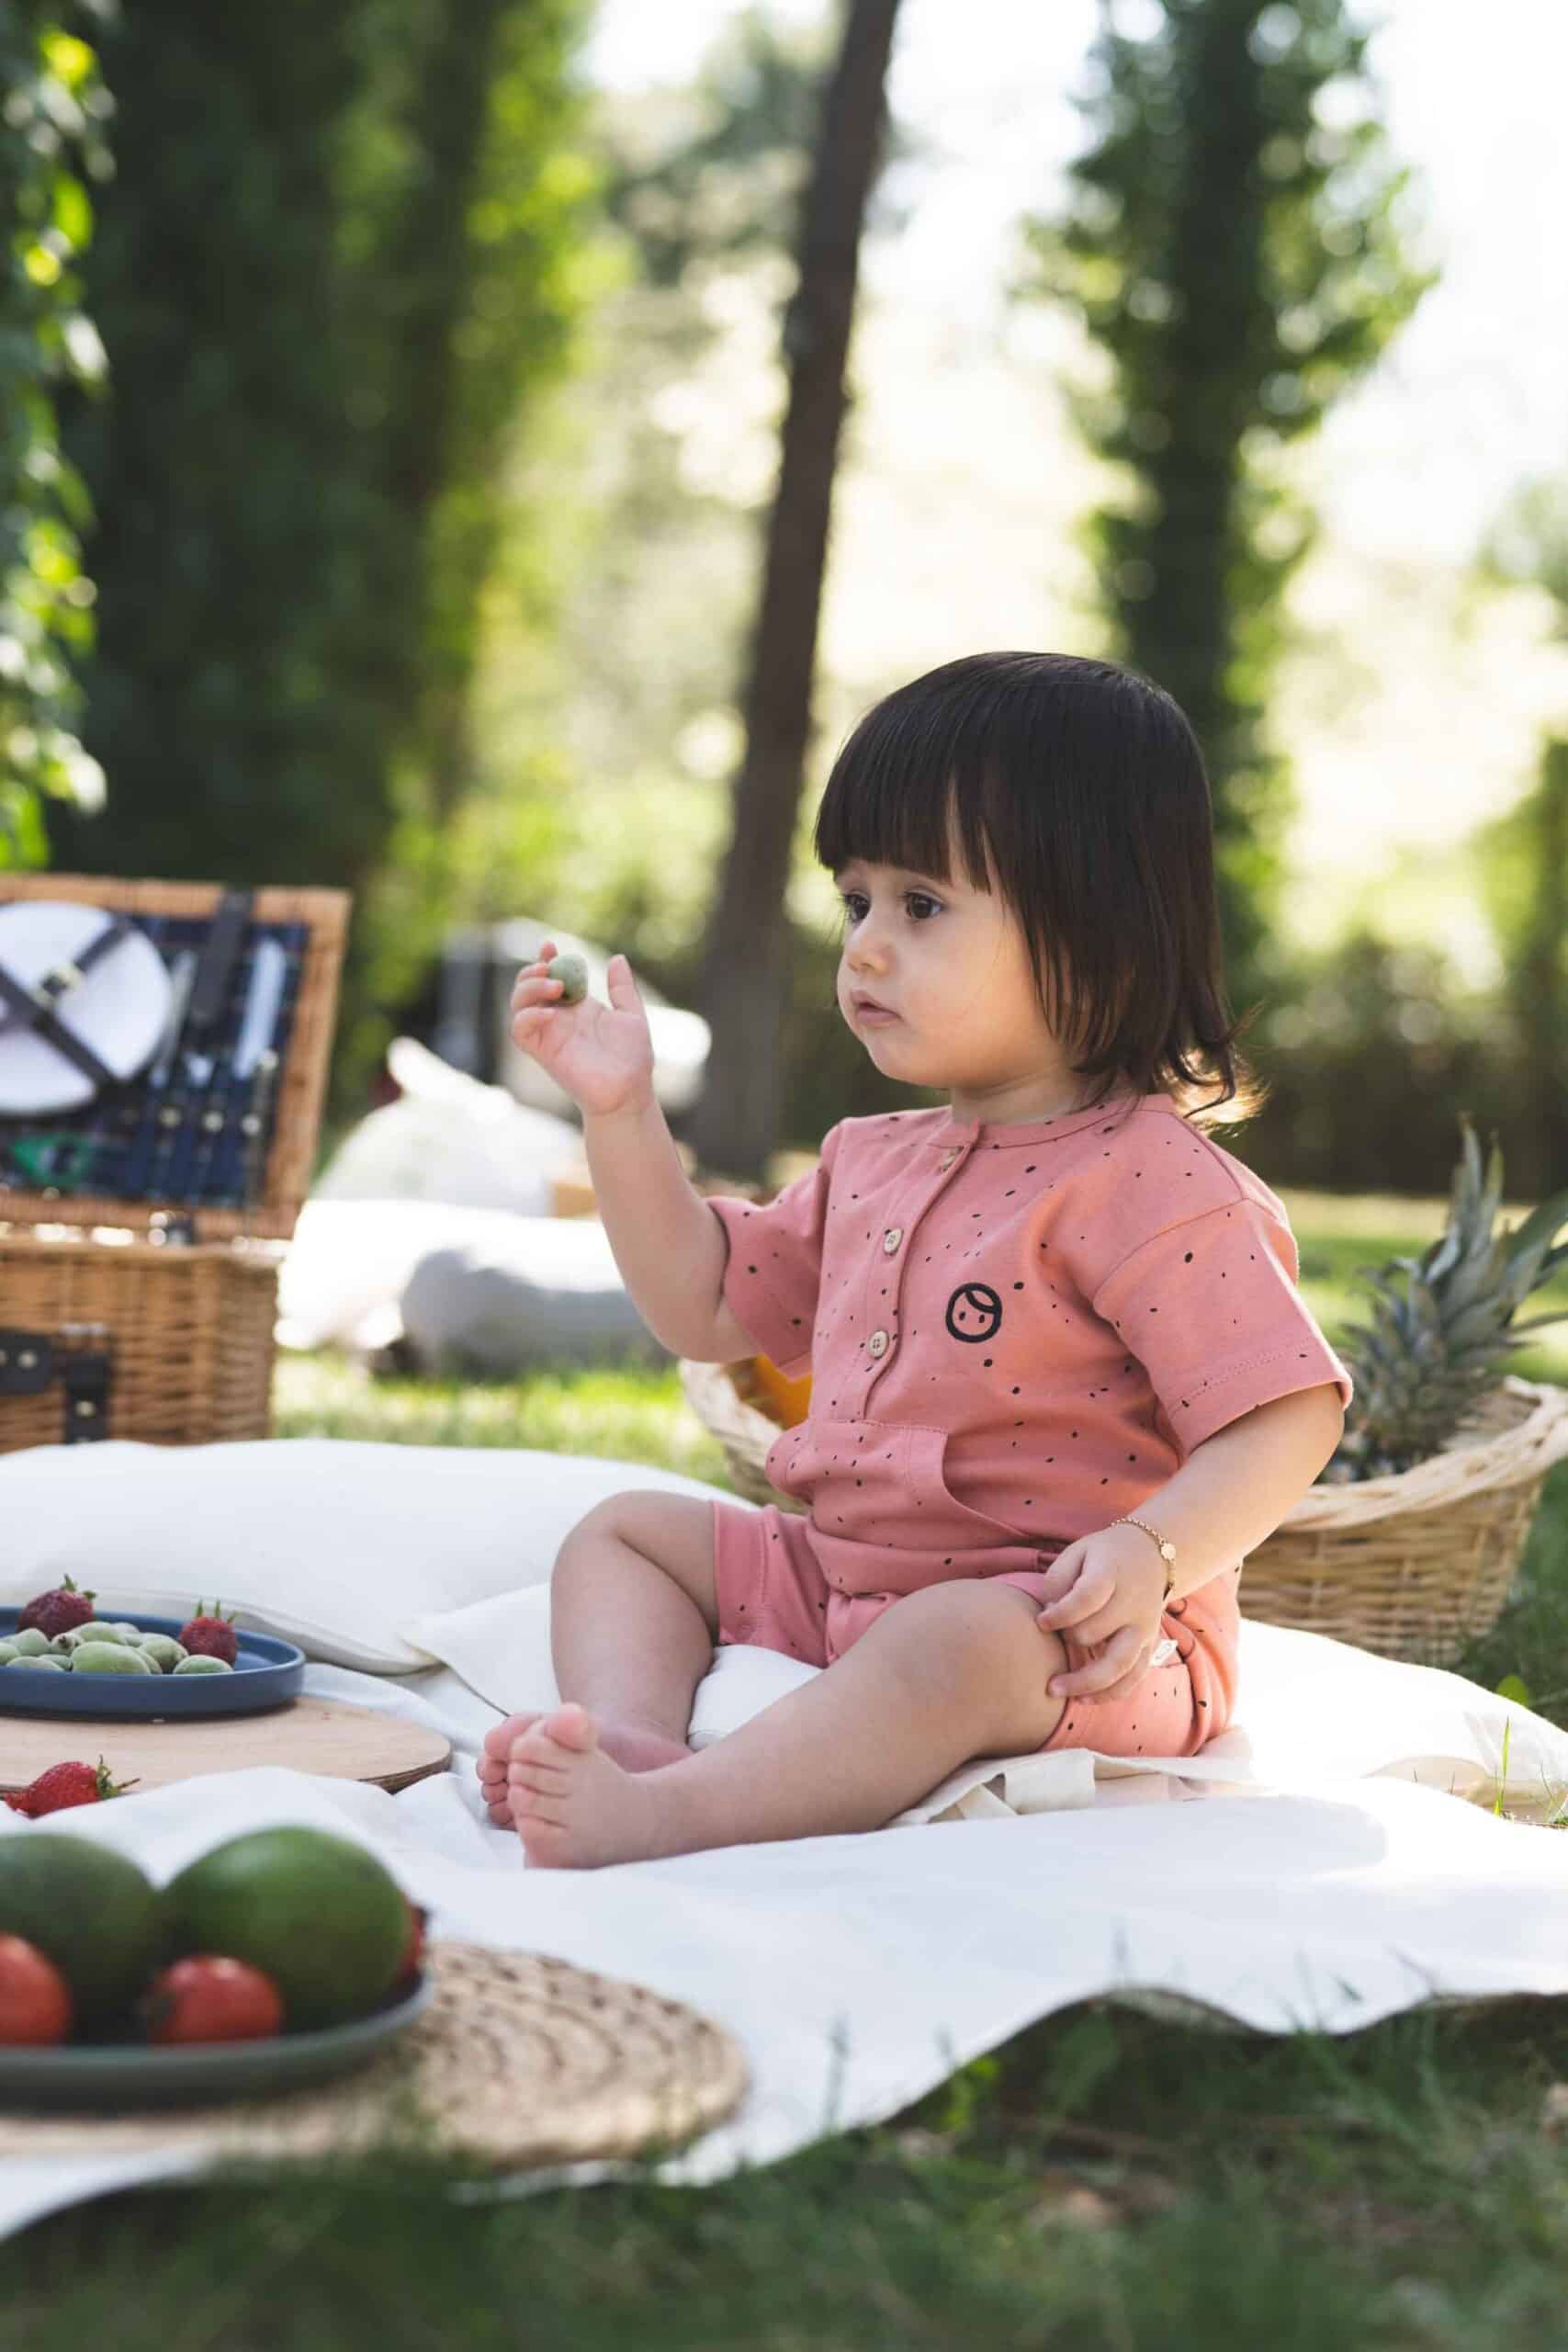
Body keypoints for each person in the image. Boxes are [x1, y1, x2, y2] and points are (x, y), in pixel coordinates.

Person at [477, 650, 1353, 1867]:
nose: (867, 949)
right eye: (857, 902)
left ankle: (680, 1816)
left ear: (1094, 931)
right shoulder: (868, 1159)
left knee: (952, 1647)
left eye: (922, 907)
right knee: (623, 1531)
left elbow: (1288, 1413)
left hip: (1066, 1628)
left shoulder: (1150, 1182)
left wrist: (1155, 1560)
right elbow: (699, 1305)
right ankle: (631, 1739)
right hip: (836, 1572)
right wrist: (620, 1115)